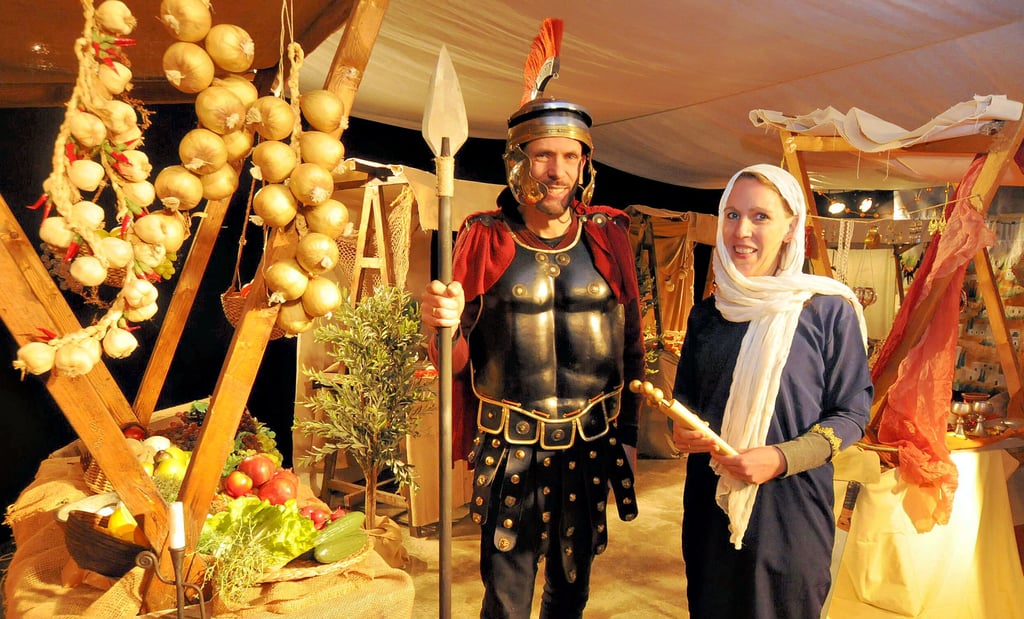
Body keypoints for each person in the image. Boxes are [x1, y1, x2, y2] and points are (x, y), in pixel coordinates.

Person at [420, 96, 645, 619]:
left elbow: (632, 344)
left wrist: (631, 435)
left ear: (584, 164)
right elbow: (454, 361)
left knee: (571, 592)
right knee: (507, 594)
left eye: (570, 157)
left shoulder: (609, 235)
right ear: (517, 161)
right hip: (512, 445)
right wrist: (441, 325)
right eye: (543, 155)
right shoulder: (484, 236)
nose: (557, 172)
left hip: (590, 443)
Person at [671, 164, 873, 619]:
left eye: (760, 216)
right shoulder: (708, 314)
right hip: (710, 503)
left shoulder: (826, 311)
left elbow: (852, 414)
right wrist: (681, 430)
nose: (741, 231)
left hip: (789, 510)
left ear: (790, 228)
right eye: (732, 215)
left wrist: (781, 457)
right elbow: (685, 402)